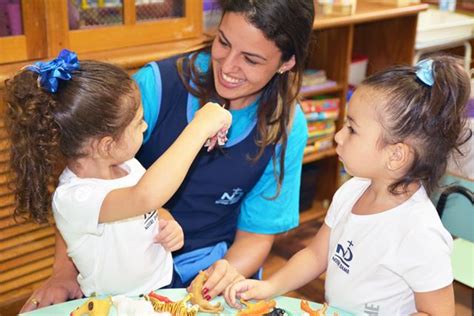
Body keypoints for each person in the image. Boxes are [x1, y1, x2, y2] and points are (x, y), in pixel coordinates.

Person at [19, 0, 315, 312]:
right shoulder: (156, 86)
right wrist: (63, 274)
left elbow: (256, 235)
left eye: (251, 60)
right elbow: (85, 179)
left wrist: (224, 272)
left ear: (286, 62)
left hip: (213, 266)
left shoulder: (287, 127)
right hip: (124, 275)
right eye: (223, 42)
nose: (228, 67)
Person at [224, 56, 472, 316]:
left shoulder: (420, 233)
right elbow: (316, 256)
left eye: (352, 129)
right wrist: (270, 287)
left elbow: (439, 313)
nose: (339, 136)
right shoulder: (352, 191)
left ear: (396, 155)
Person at [5, 50, 231, 298]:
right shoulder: (75, 198)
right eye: (138, 122)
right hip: (118, 303)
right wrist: (199, 127)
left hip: (163, 284)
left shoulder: (127, 165)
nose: (145, 127)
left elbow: (147, 209)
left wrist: (167, 222)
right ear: (106, 145)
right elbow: (144, 197)